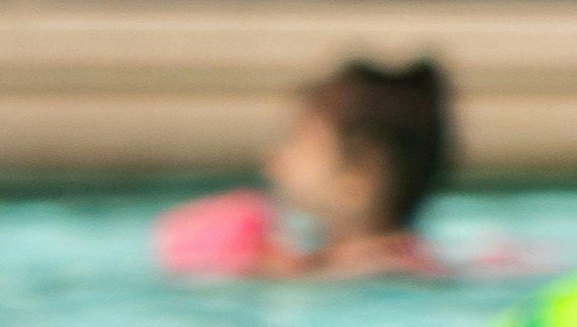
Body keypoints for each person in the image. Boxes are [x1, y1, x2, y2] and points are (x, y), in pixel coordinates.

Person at [153, 56, 464, 280]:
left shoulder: (385, 268)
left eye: (295, 142)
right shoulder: (324, 259)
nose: (272, 159)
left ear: (355, 181)